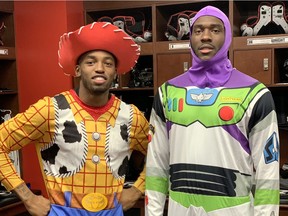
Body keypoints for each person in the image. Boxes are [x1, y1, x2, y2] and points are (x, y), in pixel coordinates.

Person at [0, 22, 149, 216]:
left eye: (108, 63)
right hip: (61, 211)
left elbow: (161, 155)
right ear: (77, 70)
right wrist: (27, 197)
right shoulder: (49, 110)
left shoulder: (132, 117)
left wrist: (138, 189)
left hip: (112, 211)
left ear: (115, 72)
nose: (100, 68)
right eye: (91, 62)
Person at [145, 5, 279, 216]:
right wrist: (152, 212)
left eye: (215, 30)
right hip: (179, 209)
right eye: (198, 31)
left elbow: (268, 171)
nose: (205, 36)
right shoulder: (167, 93)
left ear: (227, 36)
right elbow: (156, 164)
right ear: (190, 37)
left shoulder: (255, 94)